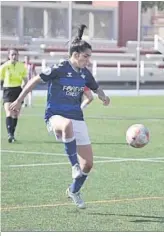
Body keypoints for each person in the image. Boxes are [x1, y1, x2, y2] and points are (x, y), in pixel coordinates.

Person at [10, 24, 111, 209]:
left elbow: (96, 88)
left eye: (89, 57)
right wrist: (18, 100)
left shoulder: (84, 73)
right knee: (66, 126)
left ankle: (74, 190)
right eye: (86, 56)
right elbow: (34, 80)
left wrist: (104, 97)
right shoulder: (60, 68)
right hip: (55, 116)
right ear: (76, 54)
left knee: (88, 165)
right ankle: (74, 166)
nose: (88, 60)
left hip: (77, 117)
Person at [0, 48, 28, 143]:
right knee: (9, 112)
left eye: (15, 54)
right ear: (8, 56)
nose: (14, 56)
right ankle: (9, 134)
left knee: (15, 114)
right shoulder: (4, 66)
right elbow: (1, 78)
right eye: (12, 54)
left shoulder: (22, 66)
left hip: (18, 91)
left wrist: (25, 85)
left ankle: (12, 134)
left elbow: (25, 79)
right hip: (8, 90)